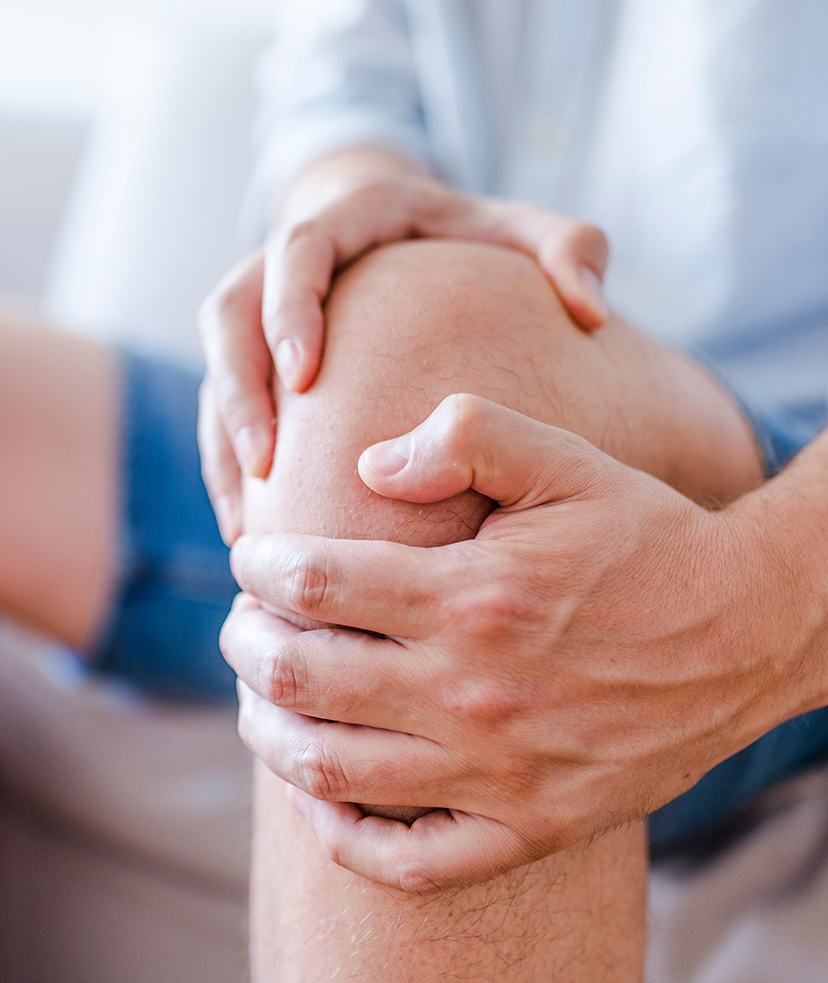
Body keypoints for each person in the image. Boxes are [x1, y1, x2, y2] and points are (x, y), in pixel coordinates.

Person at [198, 0, 828, 975]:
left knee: (419, 423)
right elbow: (347, 86)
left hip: (791, 463)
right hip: (508, 368)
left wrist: (776, 590)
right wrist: (359, 205)